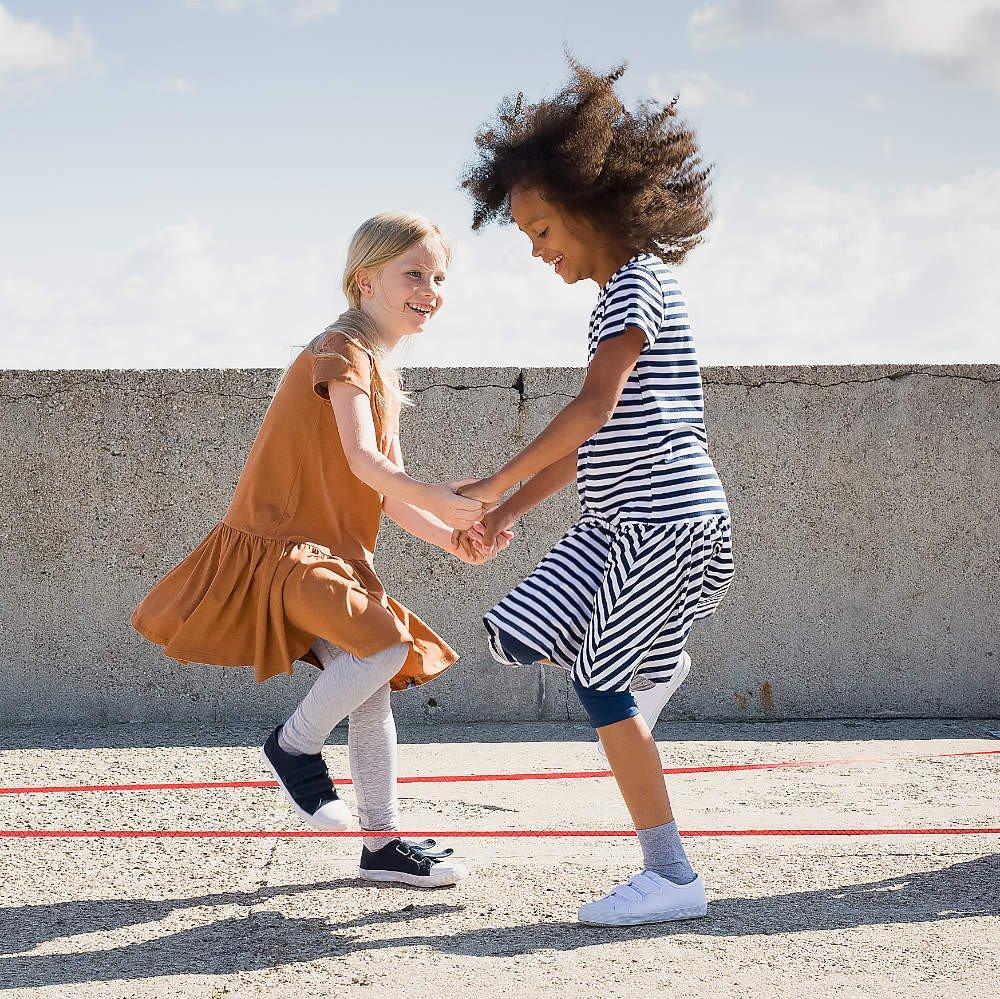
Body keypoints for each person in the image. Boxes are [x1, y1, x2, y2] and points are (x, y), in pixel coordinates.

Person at [132, 212, 511, 888]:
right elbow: (369, 463)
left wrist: (455, 535)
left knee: (372, 690)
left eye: (439, 277)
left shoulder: (377, 370)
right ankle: (293, 744)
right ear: (365, 279)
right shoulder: (340, 349)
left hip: (330, 554)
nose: (431, 289)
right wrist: (438, 493)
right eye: (414, 274)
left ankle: (381, 843)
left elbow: (388, 497)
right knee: (385, 646)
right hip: (287, 549)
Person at [458, 60, 736, 924]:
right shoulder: (617, 292)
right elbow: (592, 447)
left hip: (663, 525)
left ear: (593, 203)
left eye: (543, 230)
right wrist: (505, 512)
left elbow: (592, 407)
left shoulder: (640, 285)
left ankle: (672, 875)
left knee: (603, 693)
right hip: (617, 522)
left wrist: (499, 473)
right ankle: (656, 663)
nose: (539, 251)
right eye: (528, 237)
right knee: (517, 631)